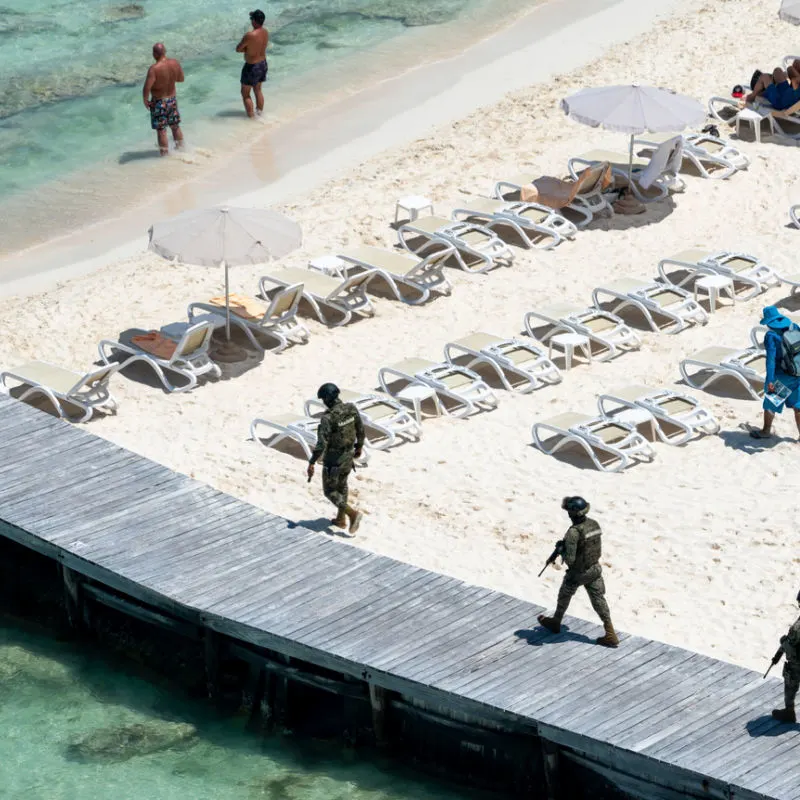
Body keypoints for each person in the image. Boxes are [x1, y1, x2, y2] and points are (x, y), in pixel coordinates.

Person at [537, 497, 619, 648]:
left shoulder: (574, 532)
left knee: (564, 595)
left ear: (572, 513)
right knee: (599, 600)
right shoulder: (594, 524)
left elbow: (571, 559)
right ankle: (610, 633)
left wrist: (563, 550)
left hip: (578, 573)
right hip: (594, 569)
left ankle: (556, 621)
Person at [306, 383, 365, 533]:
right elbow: (361, 430)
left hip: (334, 460)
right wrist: (359, 447)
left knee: (330, 491)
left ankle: (352, 513)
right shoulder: (351, 408)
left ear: (326, 399)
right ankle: (340, 520)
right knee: (342, 486)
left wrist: (312, 461)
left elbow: (321, 444)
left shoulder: (328, 418)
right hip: (349, 456)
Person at [750, 306, 800, 440]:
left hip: (781, 377)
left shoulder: (771, 335)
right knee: (798, 405)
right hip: (797, 373)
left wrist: (770, 381)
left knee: (771, 404)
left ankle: (765, 431)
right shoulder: (794, 326)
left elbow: (771, 360)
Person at [142, 43, 184, 156]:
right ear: (165, 51)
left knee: (161, 130)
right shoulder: (175, 63)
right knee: (175, 126)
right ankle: (182, 149)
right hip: (172, 99)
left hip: (159, 102)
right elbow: (181, 79)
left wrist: (145, 100)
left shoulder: (154, 69)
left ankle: (165, 156)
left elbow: (147, 88)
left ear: (155, 54)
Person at [771, 589, 800, 723]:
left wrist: (783, 643)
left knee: (790, 685)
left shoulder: (798, 626)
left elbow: (791, 642)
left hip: (797, 663)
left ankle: (789, 713)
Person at [236, 10, 269, 118]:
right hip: (262, 63)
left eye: (251, 19)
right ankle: (260, 113)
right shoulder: (265, 32)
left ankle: (251, 119)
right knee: (258, 89)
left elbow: (238, 49)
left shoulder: (249, 35)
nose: (250, 21)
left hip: (251, 67)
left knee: (245, 94)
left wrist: (246, 49)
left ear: (254, 21)